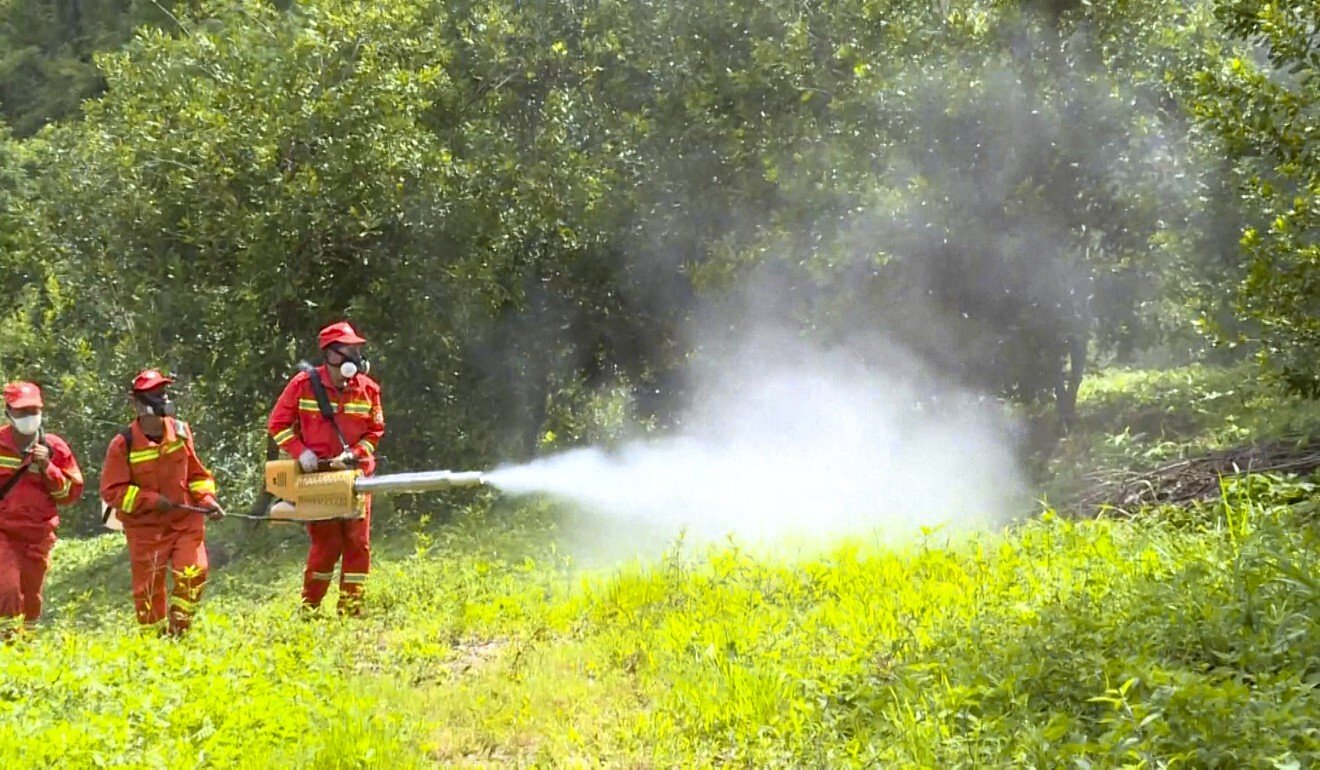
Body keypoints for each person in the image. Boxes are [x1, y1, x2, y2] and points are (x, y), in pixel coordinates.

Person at [267, 321, 384, 615]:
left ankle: (351, 610)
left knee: (358, 544)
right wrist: (300, 451)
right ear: (331, 355)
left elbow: (375, 431)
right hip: (317, 478)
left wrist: (356, 453)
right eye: (349, 350)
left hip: (357, 477)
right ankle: (310, 608)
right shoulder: (303, 385)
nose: (356, 356)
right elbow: (277, 425)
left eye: (358, 350)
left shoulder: (368, 389)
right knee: (327, 545)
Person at [100, 370, 223, 635]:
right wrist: (151, 501)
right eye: (156, 395)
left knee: (194, 571)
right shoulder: (123, 444)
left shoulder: (180, 431)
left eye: (164, 393)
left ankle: (180, 631)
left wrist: (207, 499)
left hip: (184, 522)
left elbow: (197, 475)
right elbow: (112, 492)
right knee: (148, 593)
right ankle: (154, 646)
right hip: (145, 530)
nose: (163, 399)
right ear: (139, 404)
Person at [0, 382, 83, 637]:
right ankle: (8, 644)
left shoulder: (55, 448)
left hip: (38, 536)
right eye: (22, 412)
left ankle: (27, 649)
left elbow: (69, 494)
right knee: (7, 589)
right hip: (3, 533)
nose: (29, 417)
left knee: (31, 597)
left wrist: (48, 467)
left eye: (33, 411)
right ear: (8, 413)